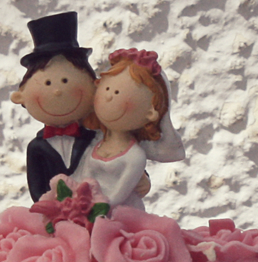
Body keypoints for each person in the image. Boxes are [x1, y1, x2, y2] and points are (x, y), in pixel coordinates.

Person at [76, 48, 184, 209]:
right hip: (89, 209)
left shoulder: (135, 156)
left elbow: (120, 193)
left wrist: (98, 207)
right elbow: (85, 180)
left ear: (150, 113)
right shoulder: (94, 145)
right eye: (107, 89)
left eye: (117, 92)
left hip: (121, 212)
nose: (108, 96)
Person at [11, 12, 99, 202]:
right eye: (48, 83)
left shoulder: (98, 137)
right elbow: (37, 190)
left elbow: (123, 162)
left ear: (95, 87)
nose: (58, 91)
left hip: (102, 209)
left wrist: (142, 179)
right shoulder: (37, 147)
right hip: (56, 215)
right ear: (20, 97)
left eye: (65, 81)